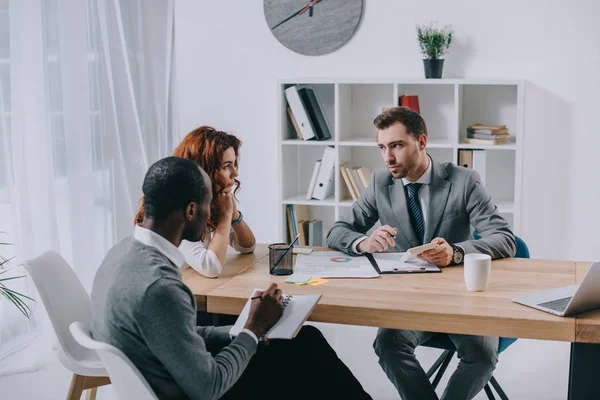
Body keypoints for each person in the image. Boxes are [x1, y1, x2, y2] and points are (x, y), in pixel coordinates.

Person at [91, 156, 372, 400]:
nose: (209, 213)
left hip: (169, 378)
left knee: (305, 340)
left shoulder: (119, 255)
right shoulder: (159, 287)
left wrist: (239, 331)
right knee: (308, 365)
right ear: (191, 211)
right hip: (194, 391)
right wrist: (252, 328)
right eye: (207, 204)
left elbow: (174, 333)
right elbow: (210, 387)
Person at [326, 107, 516, 400]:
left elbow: (503, 238)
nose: (388, 157)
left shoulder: (464, 181)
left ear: (422, 142)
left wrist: (455, 252)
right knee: (387, 344)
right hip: (410, 300)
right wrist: (364, 242)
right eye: (382, 147)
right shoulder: (380, 183)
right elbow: (338, 231)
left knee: (482, 355)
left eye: (396, 146)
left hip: (462, 299)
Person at [135, 126, 255, 278]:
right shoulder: (179, 209)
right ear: (205, 169)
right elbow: (210, 267)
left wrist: (234, 215)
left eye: (234, 164)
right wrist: (225, 215)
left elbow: (247, 247)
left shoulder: (210, 202)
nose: (235, 173)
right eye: (227, 166)